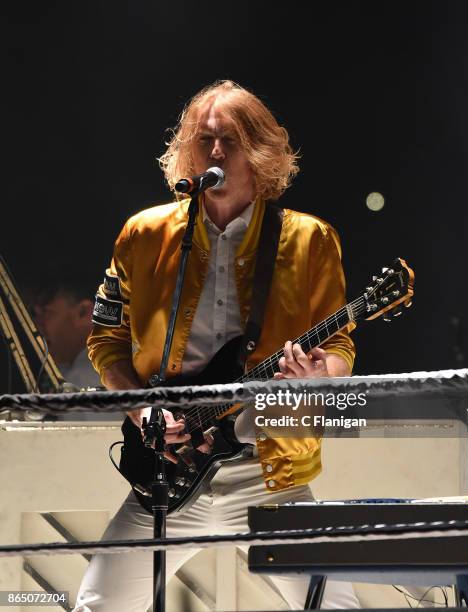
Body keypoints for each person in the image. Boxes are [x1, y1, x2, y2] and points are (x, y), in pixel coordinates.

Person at [75, 80, 359, 610]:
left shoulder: (310, 239)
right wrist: (142, 408)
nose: (216, 152)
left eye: (231, 140)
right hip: (170, 471)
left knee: (335, 606)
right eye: (204, 140)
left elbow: (339, 344)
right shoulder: (143, 234)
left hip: (269, 473)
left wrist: (321, 378)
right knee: (98, 604)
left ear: (262, 152)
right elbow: (106, 340)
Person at [34, 275, 101, 390]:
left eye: (46, 312)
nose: (35, 324)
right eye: (35, 314)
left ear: (83, 312)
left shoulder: (90, 372)